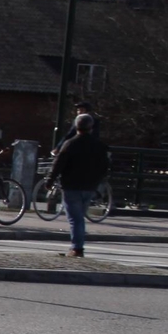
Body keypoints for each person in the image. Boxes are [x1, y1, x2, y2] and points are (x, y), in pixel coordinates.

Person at [48, 107, 110, 258]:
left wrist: (50, 179)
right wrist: (97, 181)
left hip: (71, 185)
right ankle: (77, 245)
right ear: (91, 127)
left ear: (77, 126)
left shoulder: (70, 144)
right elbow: (105, 166)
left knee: (75, 218)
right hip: (89, 186)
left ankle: (77, 248)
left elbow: (59, 163)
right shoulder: (99, 146)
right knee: (79, 217)